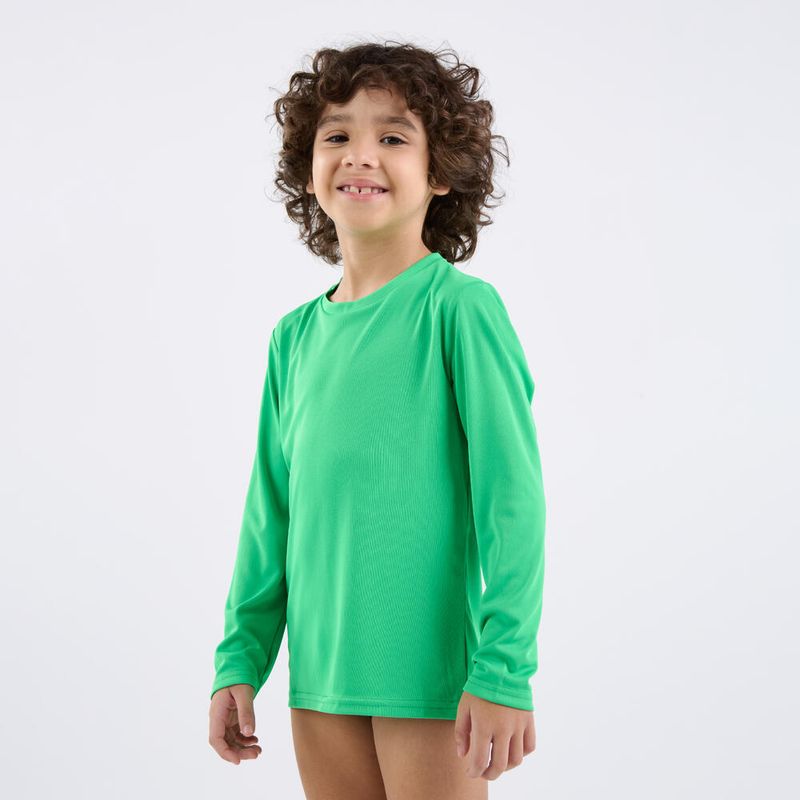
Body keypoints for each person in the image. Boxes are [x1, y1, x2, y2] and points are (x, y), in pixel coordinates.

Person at [207, 40, 547, 800]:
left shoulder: (459, 311)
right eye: (338, 135)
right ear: (309, 168)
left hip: (431, 680)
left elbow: (512, 503)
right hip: (319, 680)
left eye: (393, 137)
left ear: (440, 171)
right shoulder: (293, 339)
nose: (361, 154)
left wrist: (504, 668)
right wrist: (240, 660)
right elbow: (269, 516)